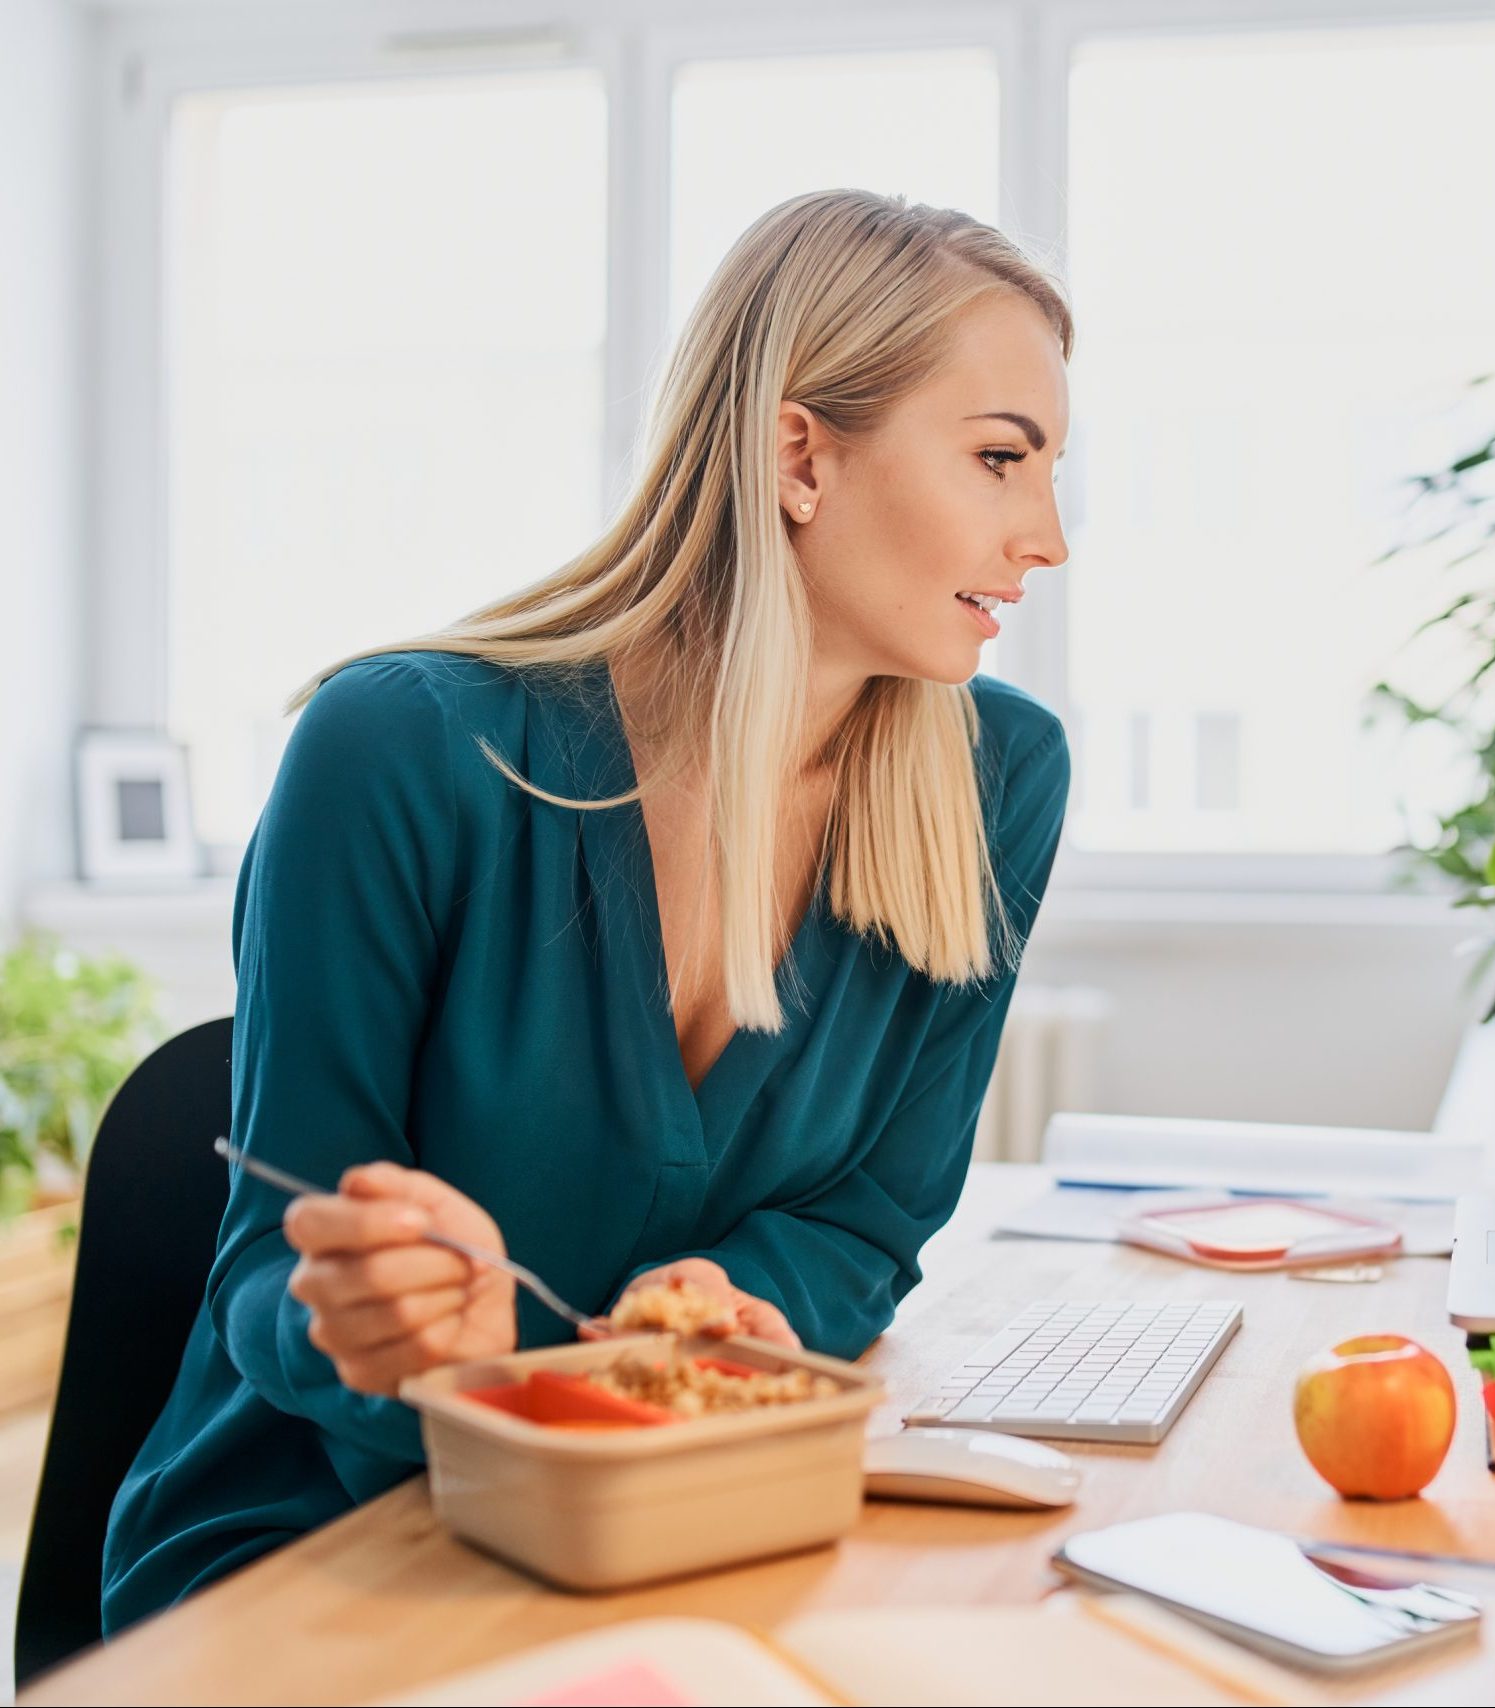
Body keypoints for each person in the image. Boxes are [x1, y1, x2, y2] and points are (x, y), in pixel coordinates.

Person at [101, 188, 1074, 1631]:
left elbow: (866, 1220)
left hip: (684, 1521)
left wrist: (741, 1300)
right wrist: (388, 1329)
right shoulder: (399, 750)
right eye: (999, 460)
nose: (1045, 537)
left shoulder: (999, 779)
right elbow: (269, 1269)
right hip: (332, 1545)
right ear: (797, 453)